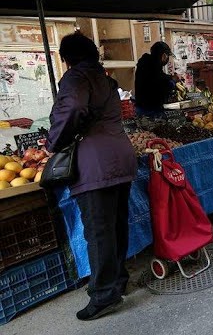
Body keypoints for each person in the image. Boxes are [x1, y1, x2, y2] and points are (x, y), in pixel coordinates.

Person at [47, 32, 137, 320]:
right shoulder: (105, 79)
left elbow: (72, 108)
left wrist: (53, 143)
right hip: (120, 157)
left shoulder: (76, 78)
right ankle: (118, 281)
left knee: (99, 231)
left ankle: (104, 294)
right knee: (116, 225)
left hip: (95, 163)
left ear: (66, 58)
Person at [134, 41, 177, 117]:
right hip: (151, 110)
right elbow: (160, 84)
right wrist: (172, 81)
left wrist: (169, 77)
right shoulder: (153, 67)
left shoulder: (146, 64)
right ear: (164, 56)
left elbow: (160, 76)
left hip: (142, 107)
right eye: (167, 56)